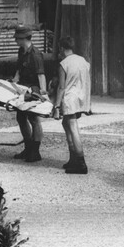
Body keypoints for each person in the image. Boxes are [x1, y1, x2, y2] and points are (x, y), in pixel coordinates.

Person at [52, 36, 91, 174]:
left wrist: (56, 106)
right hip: (81, 97)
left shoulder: (64, 63)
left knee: (73, 127)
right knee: (66, 124)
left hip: (70, 98)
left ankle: (81, 162)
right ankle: (73, 158)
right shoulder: (83, 61)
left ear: (62, 48)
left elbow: (61, 87)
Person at [12, 25, 47, 162]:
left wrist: (43, 94)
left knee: (33, 119)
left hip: (34, 90)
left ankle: (35, 151)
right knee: (21, 118)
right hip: (23, 89)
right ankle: (28, 148)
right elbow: (19, 70)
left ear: (23, 38)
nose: (15, 41)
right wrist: (14, 81)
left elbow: (41, 75)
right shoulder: (21, 51)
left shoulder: (35, 54)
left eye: (17, 38)